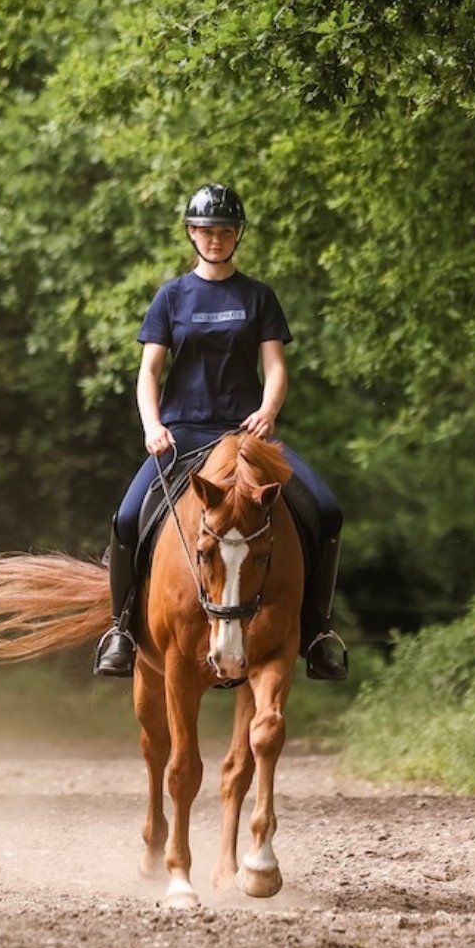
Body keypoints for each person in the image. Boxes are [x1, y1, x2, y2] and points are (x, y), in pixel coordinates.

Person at [93, 182, 348, 681]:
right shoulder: (171, 297)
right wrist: (152, 425)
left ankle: (317, 632)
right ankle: (121, 630)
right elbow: (149, 372)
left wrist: (268, 411)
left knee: (327, 510)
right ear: (192, 233)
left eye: (226, 230)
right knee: (126, 520)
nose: (216, 238)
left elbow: (274, 367)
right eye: (207, 230)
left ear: (237, 236)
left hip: (246, 435)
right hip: (182, 433)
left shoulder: (258, 296)